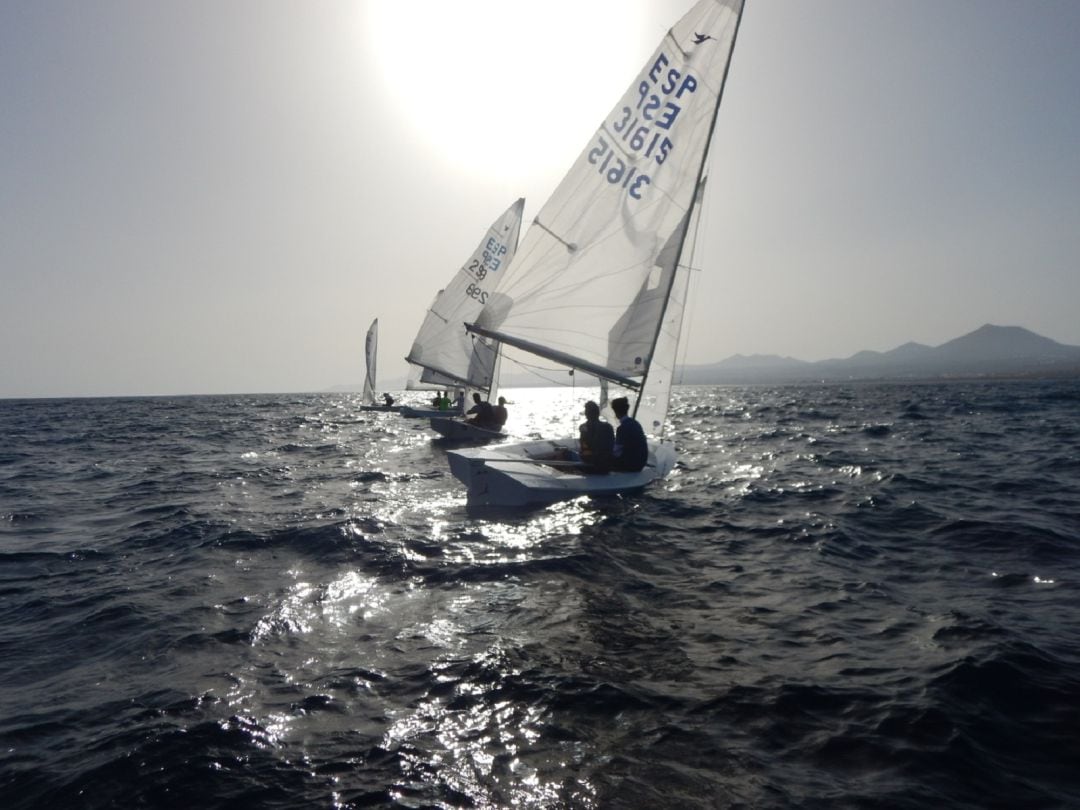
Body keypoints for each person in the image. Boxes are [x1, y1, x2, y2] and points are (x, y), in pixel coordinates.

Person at [610, 396, 648, 472]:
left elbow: (616, 453)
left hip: (630, 465)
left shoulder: (622, 428)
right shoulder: (636, 423)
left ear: (616, 412)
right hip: (641, 463)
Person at [577, 400, 614, 473]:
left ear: (586, 414)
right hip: (607, 466)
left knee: (565, 453)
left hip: (591, 466)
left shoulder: (583, 427)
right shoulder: (608, 427)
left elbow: (584, 449)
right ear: (598, 413)